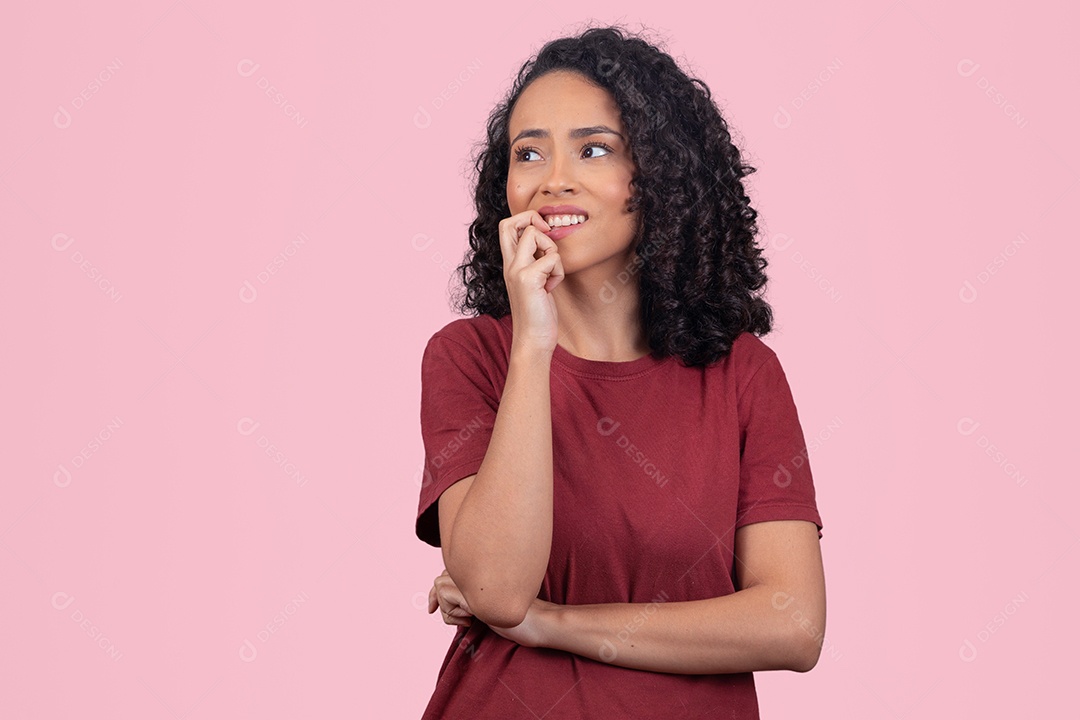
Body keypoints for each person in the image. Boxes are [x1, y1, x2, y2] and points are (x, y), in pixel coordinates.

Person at [415, 23, 826, 719]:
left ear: (659, 175)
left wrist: (551, 623)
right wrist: (534, 343)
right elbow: (495, 589)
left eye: (593, 149)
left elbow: (792, 624)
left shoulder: (742, 374)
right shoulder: (472, 357)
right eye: (528, 153)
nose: (554, 180)